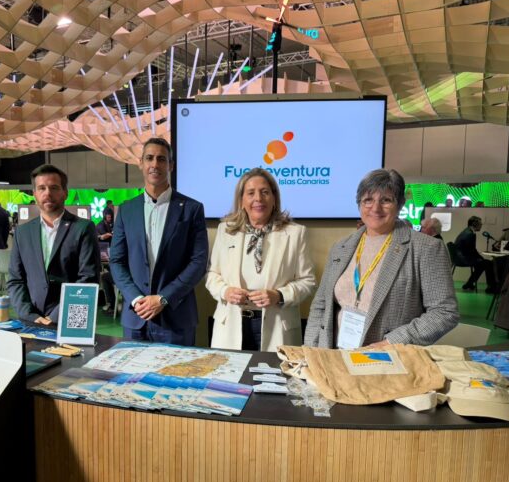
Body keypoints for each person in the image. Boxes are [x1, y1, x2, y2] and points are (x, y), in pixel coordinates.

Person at [304, 169, 458, 349]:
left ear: (400, 204)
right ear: (359, 204)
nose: (375, 208)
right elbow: (321, 304)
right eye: (368, 200)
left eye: (386, 200)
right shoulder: (341, 248)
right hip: (333, 354)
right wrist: (311, 350)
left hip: (386, 357)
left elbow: (444, 312)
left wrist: (392, 342)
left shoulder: (426, 248)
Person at [110, 137, 208, 345]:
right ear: (141, 163)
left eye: (161, 159)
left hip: (176, 318)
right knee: (132, 368)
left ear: (170, 165)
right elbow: (117, 261)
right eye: (149, 158)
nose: (155, 164)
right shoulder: (126, 210)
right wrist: (137, 299)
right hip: (136, 317)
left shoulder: (192, 209)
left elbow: (198, 262)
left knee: (179, 368)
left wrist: (163, 298)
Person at [205, 168, 316, 351]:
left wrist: (279, 295)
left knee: (275, 371)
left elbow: (307, 281)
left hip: (277, 327)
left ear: (274, 198)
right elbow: (212, 275)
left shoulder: (295, 233)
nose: (258, 198)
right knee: (231, 370)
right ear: (241, 200)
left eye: (265, 192)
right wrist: (225, 291)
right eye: (251, 193)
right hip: (231, 325)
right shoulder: (225, 230)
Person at [8, 164, 100, 324]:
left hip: (71, 316)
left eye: (54, 188)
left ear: (65, 192)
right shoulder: (22, 232)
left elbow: (88, 278)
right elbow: (16, 280)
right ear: (34, 194)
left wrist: (55, 317)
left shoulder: (83, 228)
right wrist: (29, 315)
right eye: (41, 188)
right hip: (32, 319)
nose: (47, 193)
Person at [454, 216, 497, 292]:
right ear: (474, 224)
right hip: (463, 259)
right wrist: (480, 258)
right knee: (488, 263)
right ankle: (491, 287)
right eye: (480, 224)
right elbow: (472, 250)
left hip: (458, 258)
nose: (481, 225)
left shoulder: (467, 231)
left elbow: (471, 250)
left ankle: (469, 283)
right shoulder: (470, 234)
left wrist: (480, 258)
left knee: (482, 264)